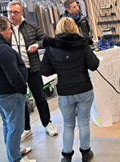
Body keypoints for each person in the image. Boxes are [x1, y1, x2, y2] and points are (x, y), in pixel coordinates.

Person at [41, 19, 99, 162]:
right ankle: (86, 153)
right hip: (84, 88)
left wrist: (58, 66)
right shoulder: (82, 44)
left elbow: (45, 71)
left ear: (58, 29)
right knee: (84, 122)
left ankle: (67, 156)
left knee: (68, 124)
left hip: (65, 91)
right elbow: (94, 65)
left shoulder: (51, 47)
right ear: (74, 28)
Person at [0, 18, 35, 162]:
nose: (11, 31)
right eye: (9, 28)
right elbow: (13, 74)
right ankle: (15, 158)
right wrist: (23, 88)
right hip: (9, 94)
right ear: (0, 31)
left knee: (7, 125)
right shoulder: (3, 50)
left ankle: (14, 151)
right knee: (16, 129)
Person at [6, 1, 57, 139]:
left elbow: (45, 40)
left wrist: (36, 44)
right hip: (15, 71)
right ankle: (26, 128)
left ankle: (47, 123)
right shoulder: (4, 28)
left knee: (40, 97)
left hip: (32, 68)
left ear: (22, 13)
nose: (12, 15)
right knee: (20, 100)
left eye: (15, 12)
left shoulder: (31, 26)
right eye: (9, 12)